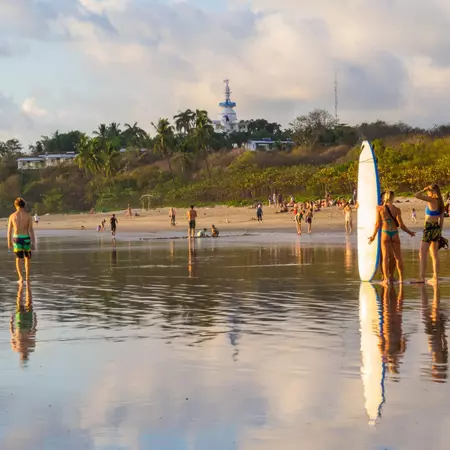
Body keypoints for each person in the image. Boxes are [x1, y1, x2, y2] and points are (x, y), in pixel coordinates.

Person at [369, 191, 415, 285]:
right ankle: (401, 279)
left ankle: (386, 280)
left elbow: (377, 224)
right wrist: (409, 232)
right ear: (393, 198)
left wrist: (373, 236)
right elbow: (401, 225)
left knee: (385, 258)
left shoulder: (379, 209)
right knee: (398, 257)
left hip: (385, 233)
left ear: (384, 197)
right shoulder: (397, 210)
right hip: (394, 233)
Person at [414, 184, 446, 284]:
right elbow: (441, 220)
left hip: (428, 228)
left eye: (428, 191)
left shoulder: (431, 200)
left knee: (422, 254)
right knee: (434, 254)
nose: (427, 192)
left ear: (431, 191)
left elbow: (416, 195)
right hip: (436, 228)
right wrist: (439, 232)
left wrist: (424, 189)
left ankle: (421, 277)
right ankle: (435, 277)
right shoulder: (441, 202)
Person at [7, 198, 35, 283]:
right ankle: (27, 278)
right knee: (27, 258)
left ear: (16, 205)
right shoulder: (28, 216)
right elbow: (31, 230)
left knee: (18, 258)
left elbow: (9, 231)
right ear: (24, 205)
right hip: (26, 238)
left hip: (17, 238)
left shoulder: (12, 216)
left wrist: (9, 241)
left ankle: (21, 278)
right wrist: (33, 242)